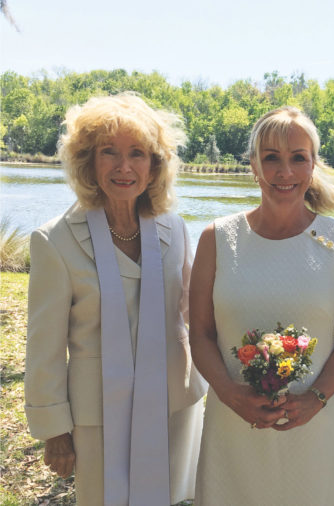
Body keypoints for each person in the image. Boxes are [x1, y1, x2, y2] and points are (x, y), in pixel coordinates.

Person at [25, 93, 207, 506]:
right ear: (88, 160)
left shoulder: (175, 229)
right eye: (110, 152)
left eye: (137, 154)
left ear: (154, 164)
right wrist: (54, 428)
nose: (124, 167)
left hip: (173, 404)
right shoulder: (54, 240)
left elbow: (194, 314)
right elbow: (44, 346)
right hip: (99, 416)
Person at [189, 106, 334, 505]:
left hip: (311, 425)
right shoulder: (217, 238)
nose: (285, 172)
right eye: (271, 158)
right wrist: (231, 394)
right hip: (231, 422)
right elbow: (200, 334)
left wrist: (316, 398)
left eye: (298, 158)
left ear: (313, 165)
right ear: (253, 165)